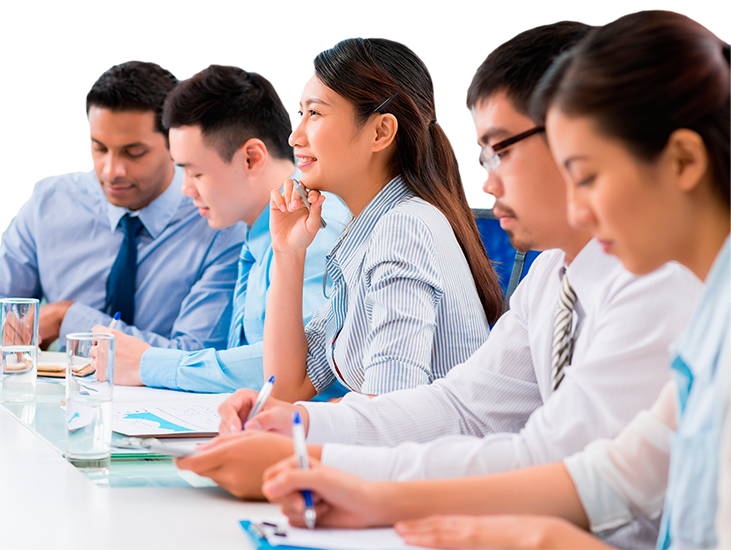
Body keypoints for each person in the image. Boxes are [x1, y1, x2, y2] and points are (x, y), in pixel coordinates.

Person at [176, 22, 704, 549]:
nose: (487, 183)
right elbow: (465, 408)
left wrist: (316, 456)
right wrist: (299, 428)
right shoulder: (552, 274)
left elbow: (558, 461)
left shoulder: (658, 282)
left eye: (504, 151)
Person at [0, 61, 245, 353]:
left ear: (174, 143)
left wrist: (69, 318)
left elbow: (198, 356)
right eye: (99, 148)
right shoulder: (51, 203)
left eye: (134, 152)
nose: (112, 170)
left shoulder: (219, 220)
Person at [262, 37, 502, 403]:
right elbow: (285, 388)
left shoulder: (404, 228)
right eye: (299, 113)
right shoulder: (376, 227)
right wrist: (287, 253)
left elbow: (389, 409)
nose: (295, 136)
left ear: (380, 132)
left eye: (315, 113)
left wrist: (318, 417)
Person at [89, 64, 349, 392]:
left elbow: (299, 364)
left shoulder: (316, 230)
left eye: (195, 173)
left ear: (251, 158)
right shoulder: (255, 236)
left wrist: (148, 364)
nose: (186, 189)